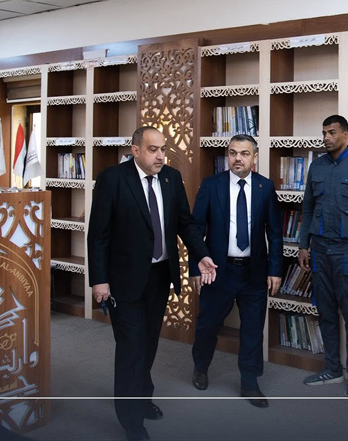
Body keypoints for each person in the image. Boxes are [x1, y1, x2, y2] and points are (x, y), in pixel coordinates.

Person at [87, 126, 215, 441]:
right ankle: (131, 421)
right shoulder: (112, 179)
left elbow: (185, 223)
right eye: (153, 149)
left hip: (159, 277)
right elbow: (98, 235)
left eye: (163, 149)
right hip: (123, 281)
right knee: (131, 348)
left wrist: (201, 254)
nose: (160, 156)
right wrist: (99, 280)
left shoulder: (171, 178)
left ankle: (142, 398)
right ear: (135, 150)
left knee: (148, 344)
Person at [189, 134, 283, 408]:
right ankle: (200, 367)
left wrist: (275, 270)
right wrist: (196, 266)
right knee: (207, 324)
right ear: (227, 156)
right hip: (217, 271)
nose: (237, 158)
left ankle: (250, 383)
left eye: (244, 153)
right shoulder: (211, 185)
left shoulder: (265, 187)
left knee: (252, 329)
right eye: (232, 153)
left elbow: (275, 233)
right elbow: (196, 230)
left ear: (255, 157)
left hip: (254, 272)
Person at [297, 114, 348, 398]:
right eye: (324, 133)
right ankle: (332, 369)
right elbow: (308, 209)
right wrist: (303, 245)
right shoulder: (316, 166)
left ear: (345, 134)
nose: (326, 138)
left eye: (332, 132)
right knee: (326, 312)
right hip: (320, 250)